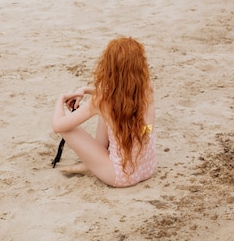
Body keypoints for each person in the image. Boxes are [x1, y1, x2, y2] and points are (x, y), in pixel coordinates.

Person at [51, 36, 156, 187]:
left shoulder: (102, 101)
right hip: (148, 167)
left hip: (119, 176)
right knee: (112, 111)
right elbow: (121, 93)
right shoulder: (147, 87)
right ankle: (91, 165)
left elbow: (58, 126)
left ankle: (93, 165)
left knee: (67, 128)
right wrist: (87, 90)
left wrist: (60, 99)